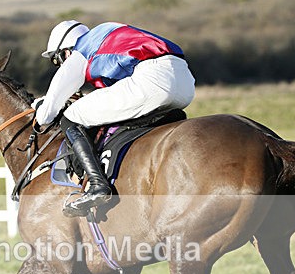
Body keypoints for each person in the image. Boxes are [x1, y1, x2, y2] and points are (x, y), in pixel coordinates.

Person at [35, 20, 196, 217]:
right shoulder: (105, 38)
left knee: (71, 117)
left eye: (57, 60)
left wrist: (40, 109)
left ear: (65, 50)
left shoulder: (80, 52)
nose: (59, 65)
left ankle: (97, 184)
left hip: (153, 80)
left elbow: (46, 115)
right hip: (186, 83)